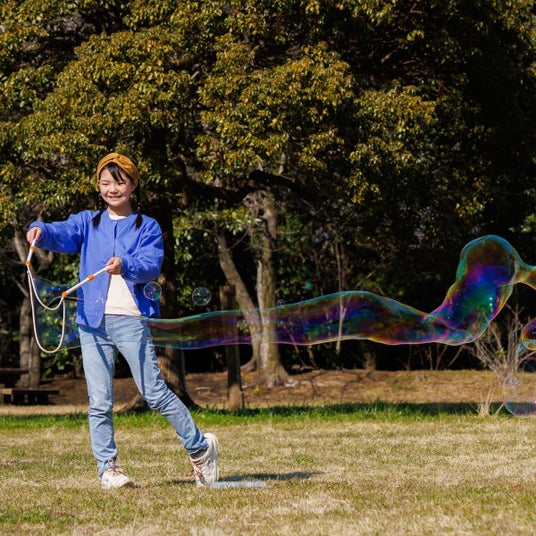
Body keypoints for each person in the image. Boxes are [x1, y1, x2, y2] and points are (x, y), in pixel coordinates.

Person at [26, 152, 219, 489]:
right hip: (91, 322)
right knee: (99, 401)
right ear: (98, 186)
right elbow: (60, 232)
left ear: (133, 184)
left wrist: (125, 264)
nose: (112, 189)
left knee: (154, 392)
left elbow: (150, 266)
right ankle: (108, 469)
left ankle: (200, 449)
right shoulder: (88, 222)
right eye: (105, 183)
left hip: (130, 320)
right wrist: (39, 230)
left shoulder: (148, 226)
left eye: (119, 182)